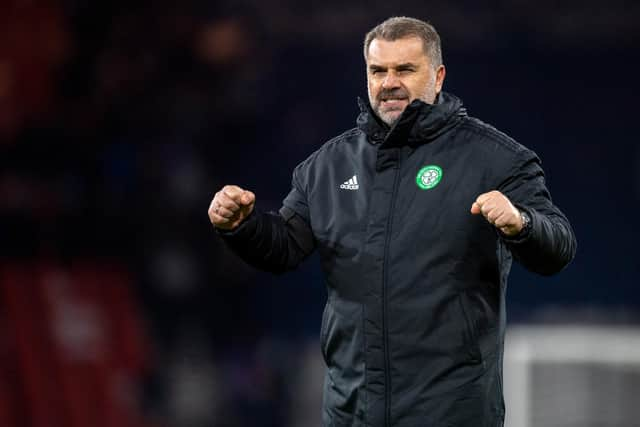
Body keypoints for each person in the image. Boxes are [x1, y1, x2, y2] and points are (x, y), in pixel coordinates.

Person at [208, 16, 576, 427]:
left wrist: (521, 224)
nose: (389, 83)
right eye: (377, 71)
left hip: (451, 414)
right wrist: (241, 225)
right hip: (352, 412)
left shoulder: (496, 160)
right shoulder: (326, 167)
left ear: (438, 77)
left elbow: (558, 247)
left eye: (404, 69)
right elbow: (283, 247)